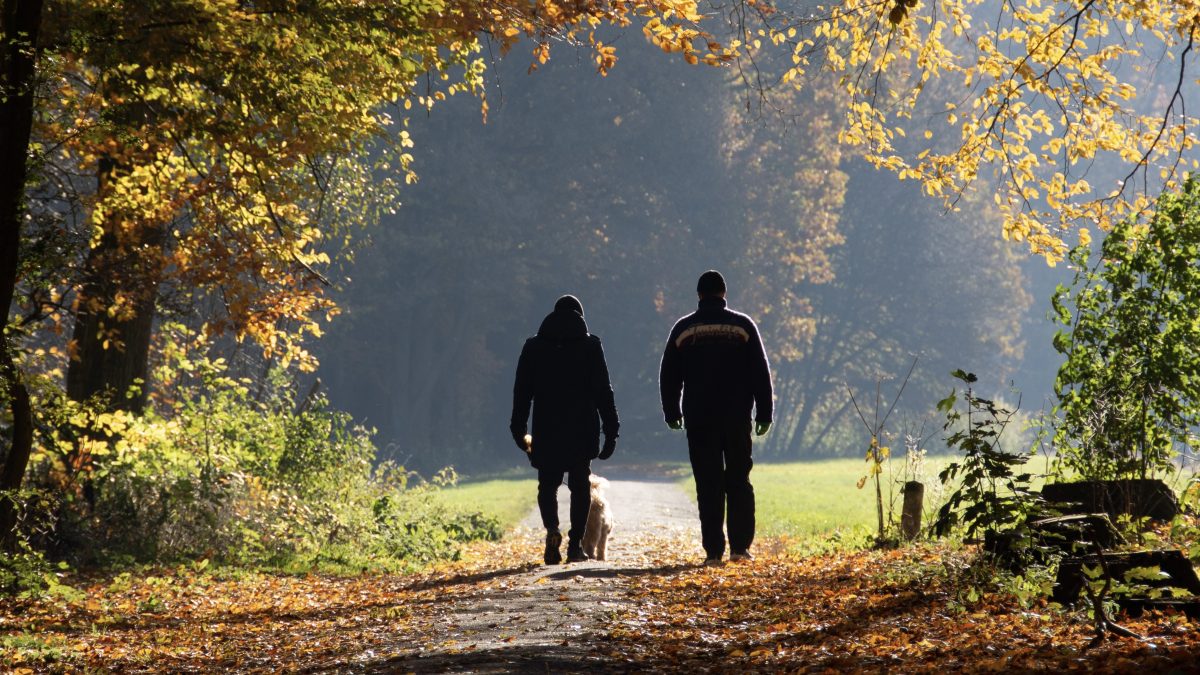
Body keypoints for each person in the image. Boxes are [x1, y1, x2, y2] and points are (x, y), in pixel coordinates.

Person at [659, 271, 773, 565]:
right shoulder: (743, 326)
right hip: (736, 417)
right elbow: (760, 371)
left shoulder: (684, 328)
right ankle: (740, 548)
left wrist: (672, 411)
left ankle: (713, 551)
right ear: (724, 293)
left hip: (700, 418)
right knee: (739, 479)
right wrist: (764, 412)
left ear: (699, 295)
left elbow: (669, 374)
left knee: (707, 483)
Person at [511, 295, 619, 564]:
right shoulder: (591, 346)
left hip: (547, 428)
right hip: (582, 428)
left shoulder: (533, 347)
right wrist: (611, 429)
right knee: (580, 486)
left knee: (547, 485)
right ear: (580, 317)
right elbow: (603, 391)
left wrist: (518, 427)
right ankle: (575, 545)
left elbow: (522, 391)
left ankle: (551, 534)